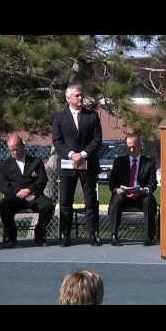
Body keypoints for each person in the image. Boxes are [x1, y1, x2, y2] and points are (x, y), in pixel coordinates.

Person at [52, 84, 102, 247]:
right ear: (68, 99)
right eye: (77, 96)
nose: (81, 98)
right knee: (66, 201)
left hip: (88, 164)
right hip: (67, 165)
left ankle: (92, 234)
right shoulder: (59, 117)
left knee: (90, 200)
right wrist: (71, 154)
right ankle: (66, 235)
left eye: (82, 95)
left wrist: (83, 154)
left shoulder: (92, 116)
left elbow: (97, 140)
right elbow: (57, 141)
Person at [0, 135, 54, 247]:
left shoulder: (36, 162)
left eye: (16, 149)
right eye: (11, 150)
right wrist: (18, 192)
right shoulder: (4, 165)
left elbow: (42, 180)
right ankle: (11, 238)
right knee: (3, 205)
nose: (14, 153)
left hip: (33, 196)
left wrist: (30, 191)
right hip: (15, 197)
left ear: (23, 146)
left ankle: (39, 234)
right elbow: (2, 184)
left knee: (48, 205)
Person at [108, 135, 158, 246]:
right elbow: (112, 183)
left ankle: (149, 237)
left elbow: (152, 183)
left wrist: (144, 190)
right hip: (124, 196)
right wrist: (117, 189)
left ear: (140, 146)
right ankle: (113, 236)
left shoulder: (149, 162)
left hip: (141, 196)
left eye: (134, 147)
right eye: (129, 147)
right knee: (116, 200)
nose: (131, 150)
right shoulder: (119, 162)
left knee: (149, 200)